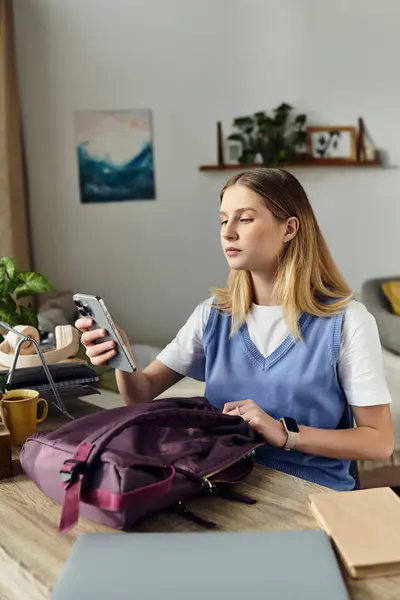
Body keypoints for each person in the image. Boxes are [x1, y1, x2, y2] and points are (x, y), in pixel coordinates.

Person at [76, 167, 394, 491]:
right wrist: (120, 356)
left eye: (244, 219)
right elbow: (139, 394)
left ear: (289, 228)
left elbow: (379, 442)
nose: (228, 232)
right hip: (220, 488)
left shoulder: (348, 321)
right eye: (223, 220)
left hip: (313, 495)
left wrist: (285, 434)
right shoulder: (212, 316)